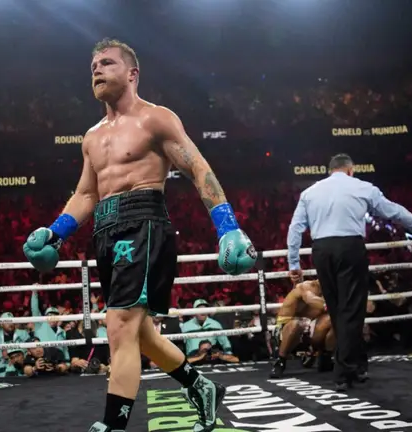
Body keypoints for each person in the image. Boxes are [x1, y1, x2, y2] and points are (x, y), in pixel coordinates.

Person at [22, 38, 256, 432]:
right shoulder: (92, 137)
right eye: (94, 66)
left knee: (119, 325)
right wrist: (55, 232)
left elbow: (198, 167)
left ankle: (113, 425)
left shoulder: (155, 118)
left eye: (107, 63)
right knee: (139, 332)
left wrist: (227, 226)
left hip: (143, 223)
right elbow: (86, 194)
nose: (97, 70)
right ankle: (201, 387)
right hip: (105, 230)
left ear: (132, 74)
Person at [286, 153, 412, 390]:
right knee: (352, 310)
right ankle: (343, 372)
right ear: (350, 170)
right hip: (350, 248)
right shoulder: (363, 187)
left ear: (330, 170)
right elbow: (396, 212)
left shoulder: (310, 192)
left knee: (337, 310)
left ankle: (358, 364)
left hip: (322, 250)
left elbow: (295, 228)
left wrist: (294, 263)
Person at [269, 279, 337, 378]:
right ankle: (280, 361)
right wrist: (333, 305)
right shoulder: (307, 287)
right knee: (297, 324)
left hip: (309, 331)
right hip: (286, 329)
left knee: (335, 319)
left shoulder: (332, 291)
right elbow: (311, 299)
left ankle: (325, 357)